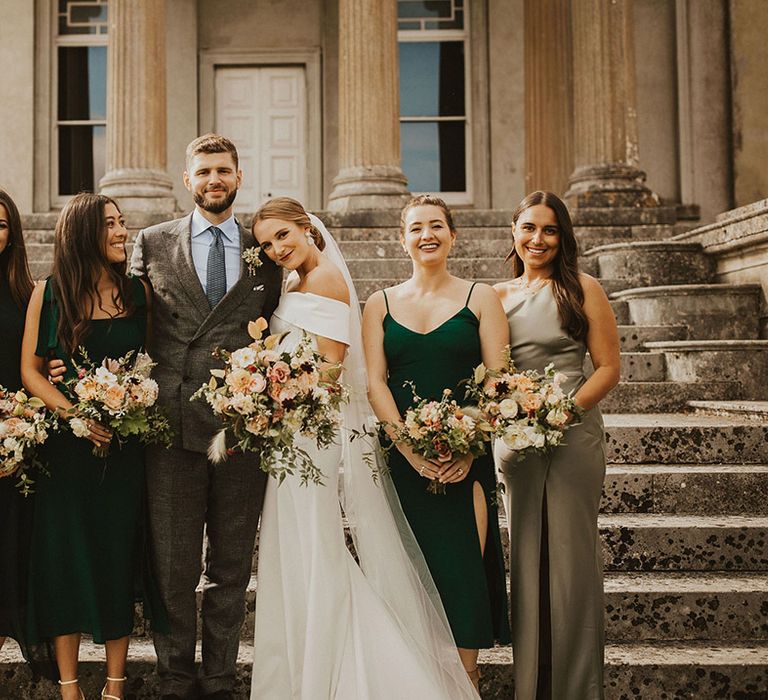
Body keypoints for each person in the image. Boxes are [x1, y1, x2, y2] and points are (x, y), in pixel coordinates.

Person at [249, 196, 477, 699]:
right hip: (292, 433)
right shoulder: (296, 280)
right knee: (298, 547)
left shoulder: (327, 277)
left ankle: (333, 671)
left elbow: (331, 368)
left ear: (306, 227)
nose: (276, 248)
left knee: (315, 547)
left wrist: (273, 394)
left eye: (283, 235)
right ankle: (306, 663)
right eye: (266, 243)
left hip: (310, 433)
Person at [130, 134, 282, 700]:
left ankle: (219, 678)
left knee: (231, 565)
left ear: (239, 177)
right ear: (187, 180)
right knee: (172, 565)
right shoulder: (152, 240)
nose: (213, 179)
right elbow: (131, 323)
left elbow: (279, 324)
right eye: (203, 171)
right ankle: (175, 676)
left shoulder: (264, 246)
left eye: (223, 170)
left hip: (241, 425)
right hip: (170, 424)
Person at [362, 194, 511, 690]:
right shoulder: (378, 303)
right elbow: (376, 382)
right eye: (416, 228)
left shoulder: (480, 297)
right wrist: (405, 445)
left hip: (465, 456)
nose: (427, 235)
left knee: (463, 570)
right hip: (403, 459)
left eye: (436, 226)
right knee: (410, 575)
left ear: (453, 234)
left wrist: (470, 444)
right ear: (401, 239)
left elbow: (497, 377)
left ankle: (465, 684)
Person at [20, 192, 164, 700]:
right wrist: (75, 415)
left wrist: (133, 404)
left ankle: (116, 685)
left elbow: (151, 365)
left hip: (124, 456)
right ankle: (69, 688)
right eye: (111, 225)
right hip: (67, 454)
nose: (123, 232)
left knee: (114, 558)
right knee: (64, 563)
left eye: (123, 222)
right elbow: (31, 372)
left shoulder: (139, 294)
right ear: (83, 233)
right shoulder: (48, 293)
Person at [493, 191, 620, 700]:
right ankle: (532, 688)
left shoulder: (583, 289)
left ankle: (576, 689)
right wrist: (511, 411)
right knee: (524, 556)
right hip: (515, 438)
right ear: (514, 232)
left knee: (570, 558)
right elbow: (491, 374)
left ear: (562, 236)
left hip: (574, 432)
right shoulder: (495, 296)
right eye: (528, 228)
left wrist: (561, 411)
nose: (537, 239)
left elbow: (609, 368)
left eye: (548, 230)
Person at [0, 188, 50, 676]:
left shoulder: (26, 291)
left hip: (15, 437)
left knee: (12, 544)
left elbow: (39, 359)